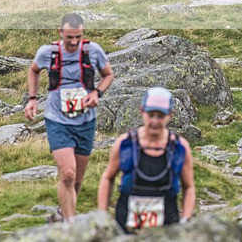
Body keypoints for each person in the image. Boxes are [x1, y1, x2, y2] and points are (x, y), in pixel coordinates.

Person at [23, 12, 114, 223]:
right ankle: (70, 227)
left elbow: (108, 75)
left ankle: (62, 214)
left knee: (78, 180)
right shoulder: (48, 53)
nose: (73, 42)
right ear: (60, 33)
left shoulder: (94, 51)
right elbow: (34, 70)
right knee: (68, 174)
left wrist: (96, 92)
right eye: (69, 37)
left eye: (78, 37)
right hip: (57, 120)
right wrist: (32, 98)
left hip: (85, 121)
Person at [98, 87, 195, 232]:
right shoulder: (125, 144)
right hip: (126, 226)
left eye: (161, 116)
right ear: (142, 112)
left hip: (167, 228)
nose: (155, 121)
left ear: (170, 115)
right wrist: (102, 215)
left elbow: (189, 187)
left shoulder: (180, 148)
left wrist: (186, 219)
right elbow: (107, 178)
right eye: (151, 114)